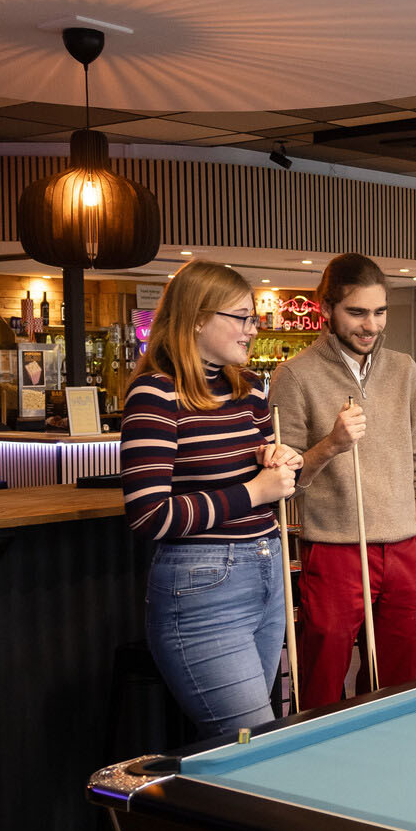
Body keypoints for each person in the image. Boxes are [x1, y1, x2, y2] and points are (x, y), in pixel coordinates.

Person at [120, 261, 301, 735]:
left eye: (254, 318)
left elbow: (272, 476)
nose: (252, 330)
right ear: (197, 318)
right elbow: (148, 516)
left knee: (250, 745)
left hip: (267, 569)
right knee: (252, 746)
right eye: (240, 317)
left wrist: (279, 460)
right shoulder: (155, 393)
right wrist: (254, 490)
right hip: (202, 587)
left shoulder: (248, 389)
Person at [270, 254, 416, 706]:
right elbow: (285, 478)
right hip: (335, 549)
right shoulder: (294, 375)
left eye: (379, 312)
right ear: (326, 310)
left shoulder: (404, 369)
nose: (371, 325)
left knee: (396, 686)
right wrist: (332, 444)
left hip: (404, 550)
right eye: (357, 312)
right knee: (321, 684)